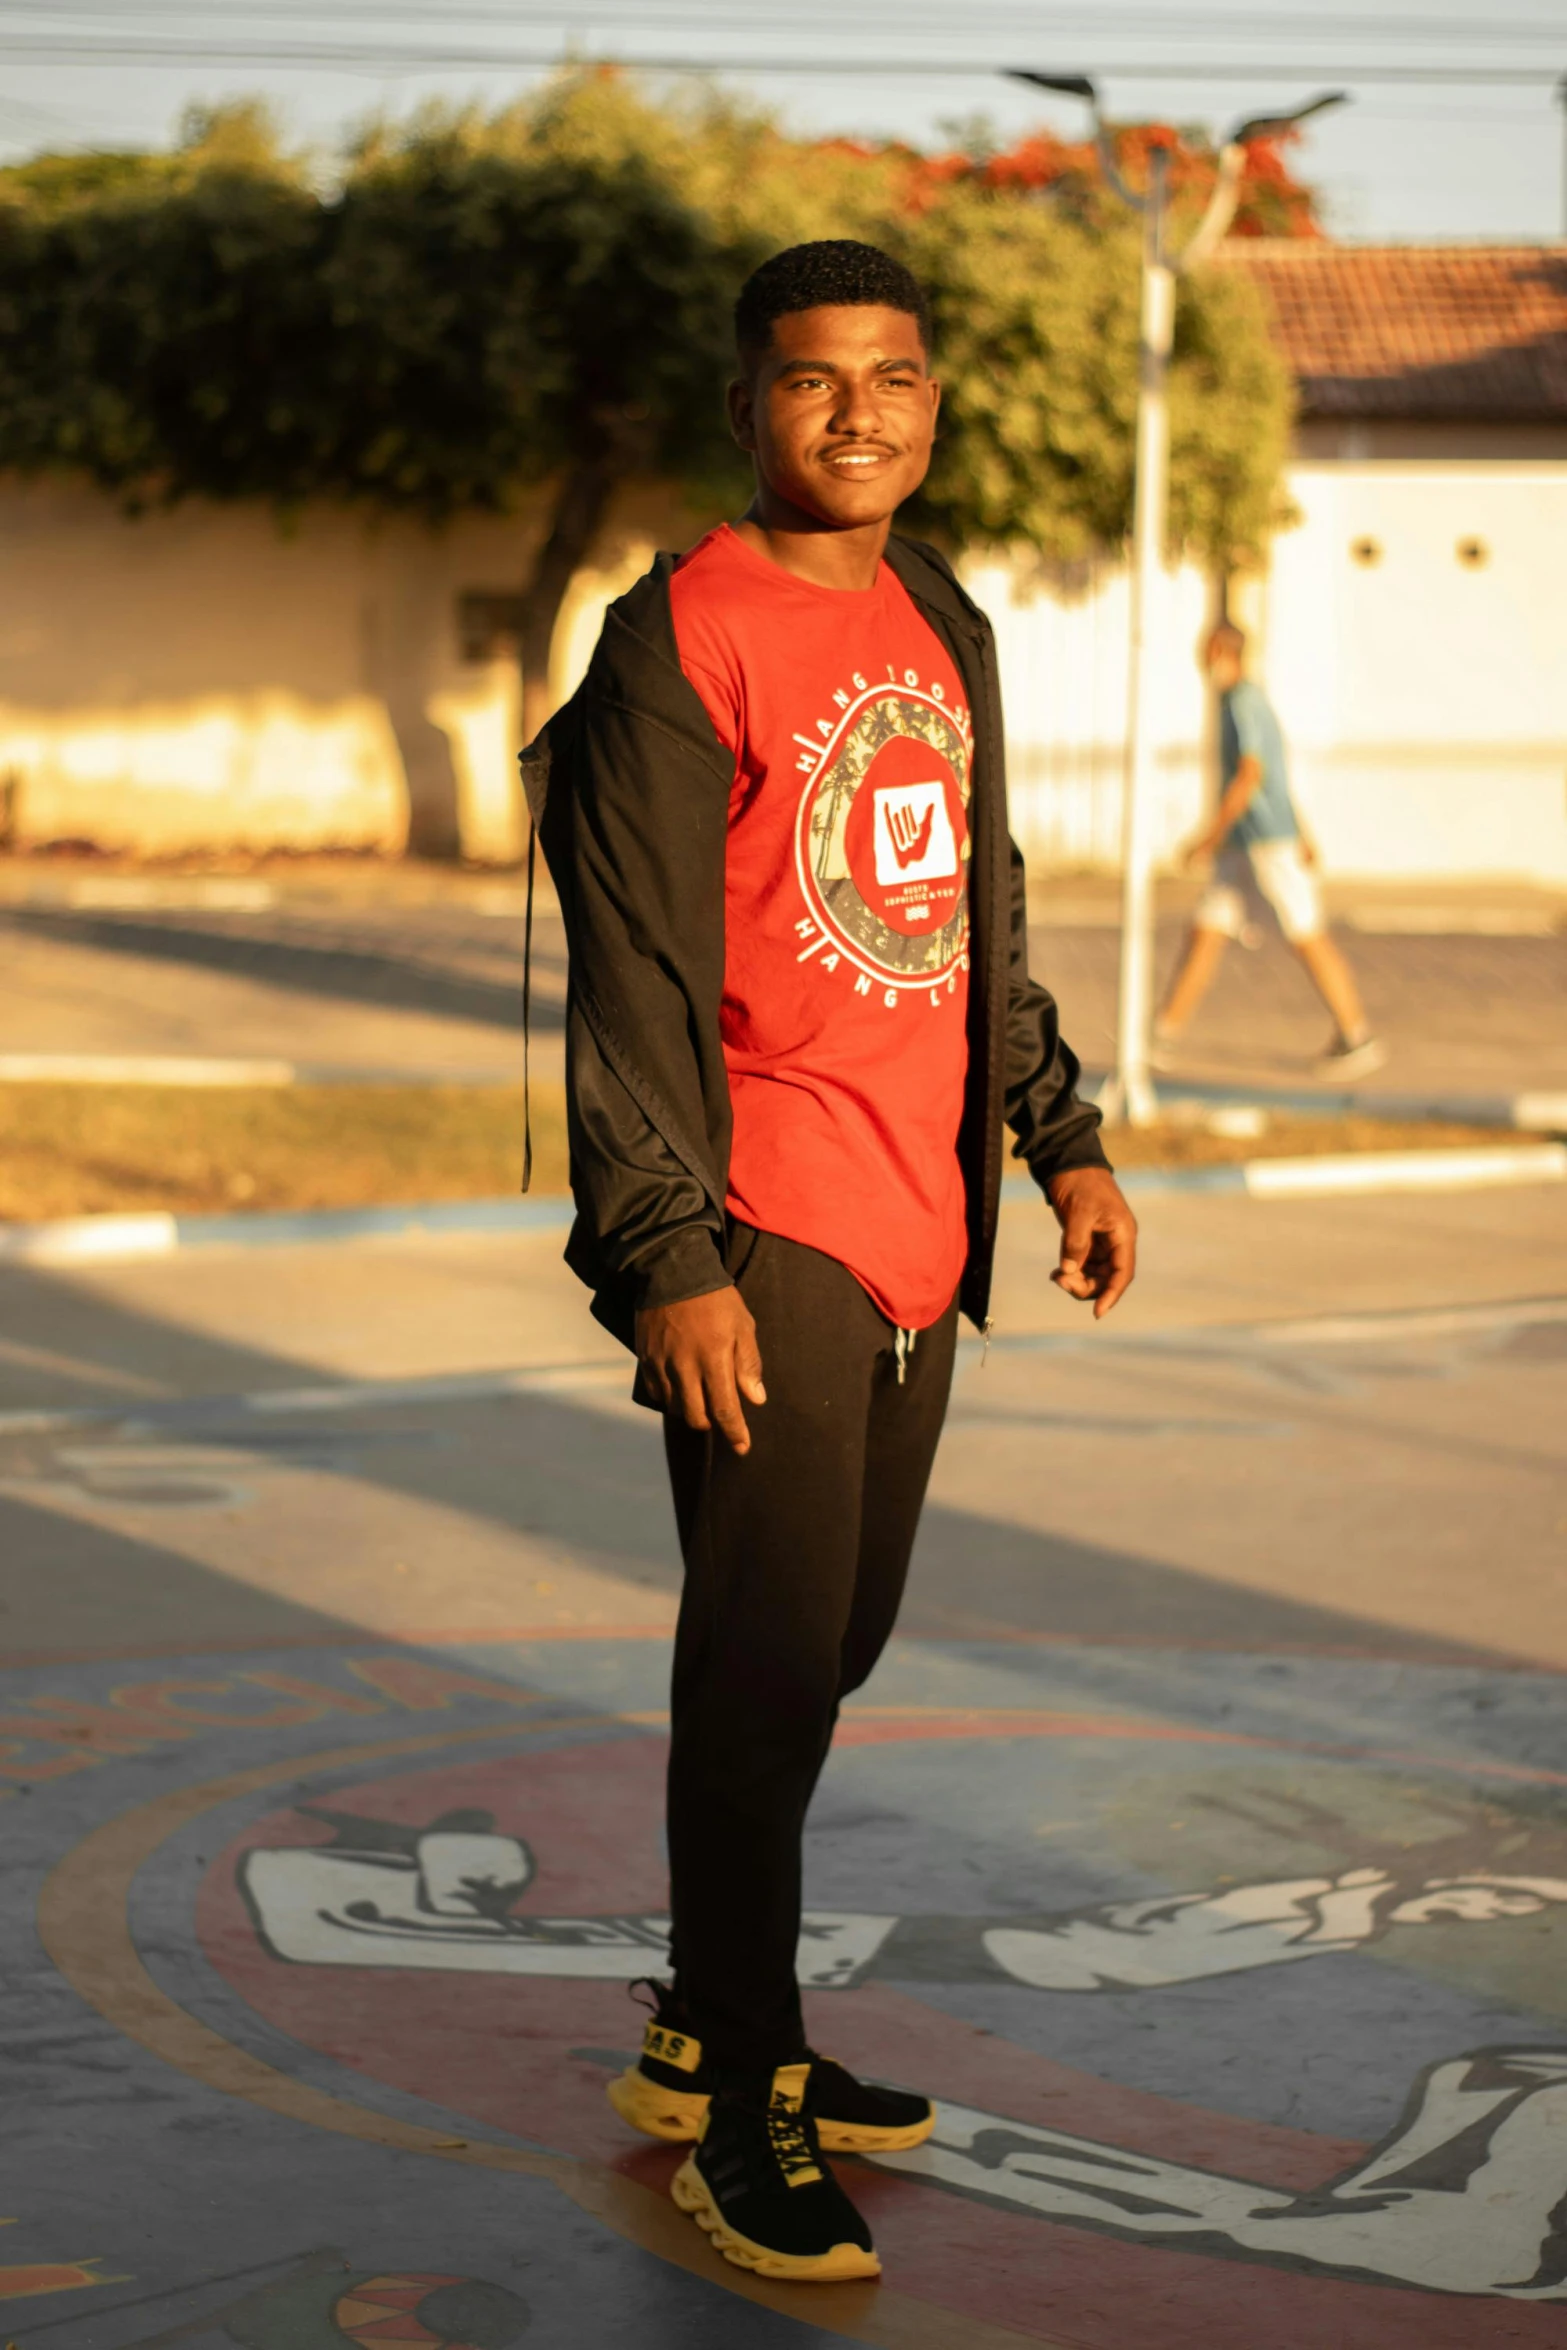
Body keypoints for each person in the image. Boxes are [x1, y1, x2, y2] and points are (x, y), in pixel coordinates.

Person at [522, 239, 1137, 2285]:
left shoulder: (936, 611)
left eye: (892, 376)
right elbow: (624, 979)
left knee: (836, 1641)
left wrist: (1063, 1135)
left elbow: (983, 901)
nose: (856, 410)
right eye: (811, 377)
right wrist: (671, 1249)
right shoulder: (671, 637)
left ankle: (709, 2016)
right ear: (748, 406)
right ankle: (743, 2098)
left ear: (932, 405)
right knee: (766, 1660)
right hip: (762, 1221)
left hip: (918, 1228)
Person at [1155, 621, 1387, 1078]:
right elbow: (1277, 776)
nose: (1201, 655)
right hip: (1244, 849)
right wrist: (1303, 832)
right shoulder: (1237, 702)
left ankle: (1357, 1035)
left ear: (1223, 649)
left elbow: (1252, 773)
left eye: (1206, 646)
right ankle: (1163, 1035)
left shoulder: (1243, 701)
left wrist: (1210, 834)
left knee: (1307, 934)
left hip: (1263, 844)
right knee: (1205, 930)